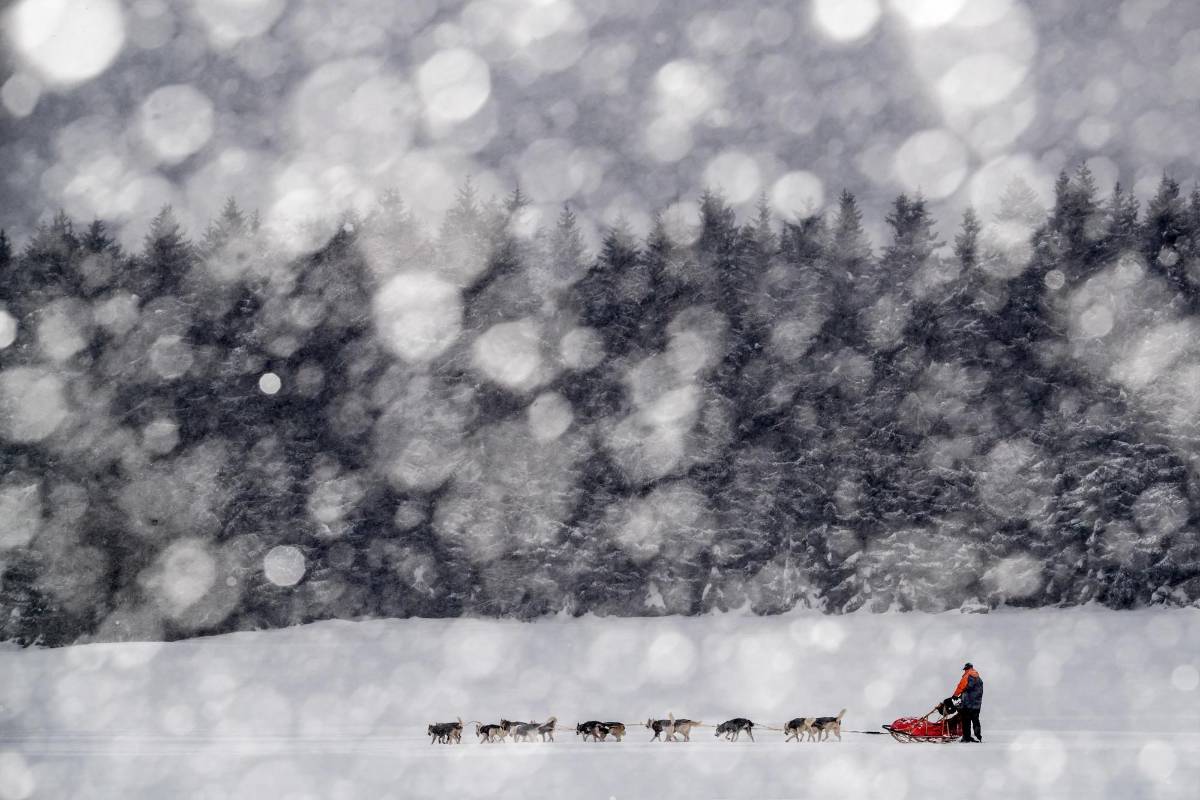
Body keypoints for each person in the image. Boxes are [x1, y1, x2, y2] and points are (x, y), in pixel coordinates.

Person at [953, 662, 983, 742]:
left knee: (966, 720)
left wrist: (955, 695)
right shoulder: (979, 679)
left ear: (966, 668)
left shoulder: (967, 675)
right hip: (977, 704)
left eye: (965, 669)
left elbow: (961, 686)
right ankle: (978, 737)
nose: (964, 671)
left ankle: (966, 737)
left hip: (967, 703)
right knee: (975, 720)